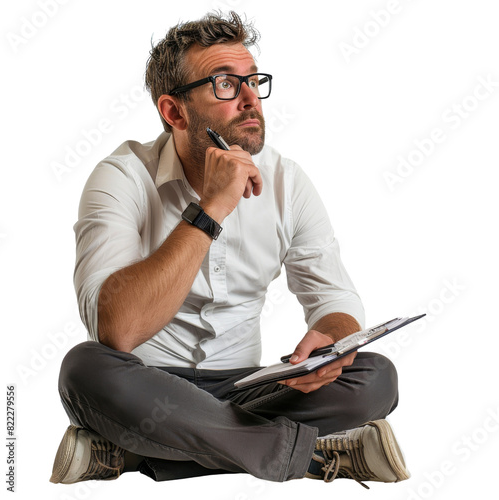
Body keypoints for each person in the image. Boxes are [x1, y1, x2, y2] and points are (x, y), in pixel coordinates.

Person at [50, 11, 410, 487]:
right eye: (224, 84)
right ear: (174, 112)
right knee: (86, 369)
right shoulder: (120, 178)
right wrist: (211, 208)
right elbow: (116, 331)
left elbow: (334, 300)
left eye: (253, 81)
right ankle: (315, 457)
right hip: (147, 382)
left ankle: (131, 452)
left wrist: (334, 340)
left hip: (252, 389)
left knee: (374, 375)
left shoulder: (287, 181)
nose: (249, 99)